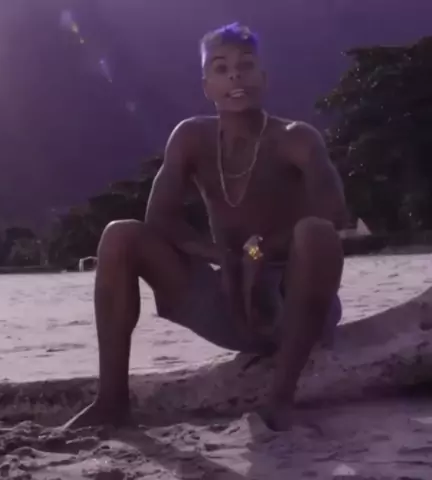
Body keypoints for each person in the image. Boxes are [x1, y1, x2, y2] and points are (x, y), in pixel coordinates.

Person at [65, 22, 347, 431]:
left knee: (315, 234)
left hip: (294, 301)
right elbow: (160, 218)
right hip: (229, 295)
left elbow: (333, 212)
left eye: (245, 66)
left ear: (263, 77)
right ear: (207, 86)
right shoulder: (191, 137)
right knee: (120, 235)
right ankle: (111, 401)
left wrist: (260, 252)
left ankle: (280, 398)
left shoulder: (295, 138)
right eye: (221, 68)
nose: (235, 76)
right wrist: (224, 257)